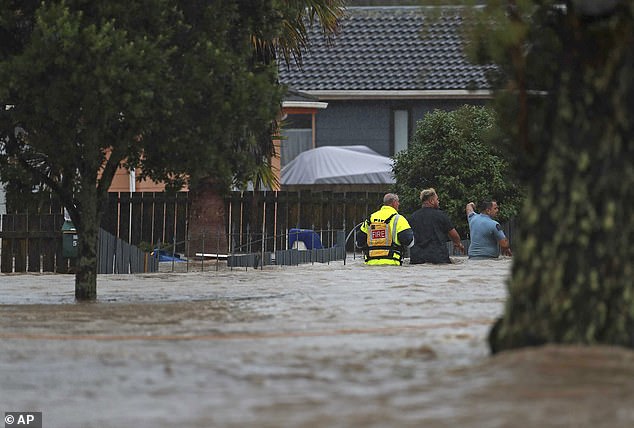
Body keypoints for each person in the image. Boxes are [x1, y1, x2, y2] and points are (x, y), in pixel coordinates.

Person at [408, 188, 464, 264]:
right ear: (431, 201)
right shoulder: (441, 215)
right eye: (437, 199)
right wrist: (458, 243)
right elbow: (454, 235)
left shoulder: (412, 217)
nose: (438, 201)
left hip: (417, 259)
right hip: (438, 258)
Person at [356, 193, 414, 265]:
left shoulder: (370, 218)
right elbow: (409, 242)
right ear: (394, 203)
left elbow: (359, 243)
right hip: (393, 263)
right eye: (398, 202)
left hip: (370, 264)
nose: (399, 204)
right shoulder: (399, 219)